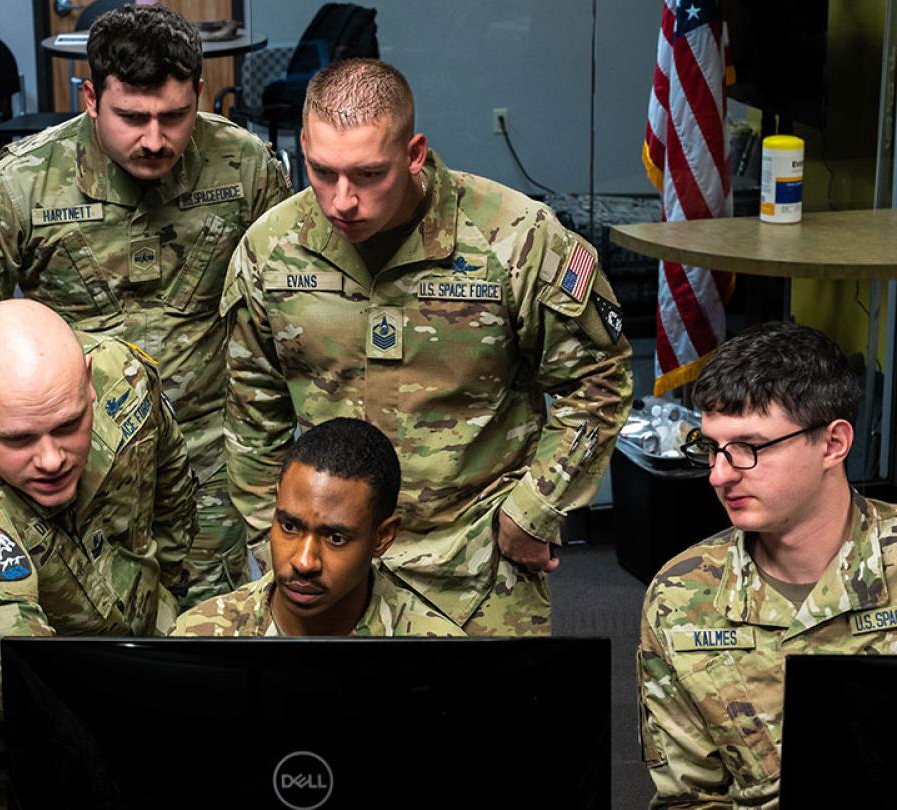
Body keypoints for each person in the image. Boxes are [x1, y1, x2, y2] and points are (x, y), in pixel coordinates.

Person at [223, 58, 632, 636]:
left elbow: (597, 379)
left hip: (475, 563)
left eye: (368, 175)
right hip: (328, 569)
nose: (342, 200)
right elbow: (252, 411)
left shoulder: (514, 239)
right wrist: (276, 546)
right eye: (322, 172)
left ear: (414, 154)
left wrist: (535, 510)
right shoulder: (270, 249)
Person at [0, 4, 290, 608]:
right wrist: (6, 459)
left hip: (206, 459)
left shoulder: (245, 167)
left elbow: (282, 314)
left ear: (200, 92)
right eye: (132, 117)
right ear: (90, 98)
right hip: (73, 460)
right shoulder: (21, 185)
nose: (154, 138)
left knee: (207, 629)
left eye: (175, 115)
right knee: (89, 638)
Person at [0, 299, 197, 809]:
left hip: (136, 653)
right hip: (14, 735)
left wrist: (175, 589)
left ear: (89, 382)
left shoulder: (123, 376)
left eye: (69, 425)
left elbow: (171, 479)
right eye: (19, 439)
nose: (51, 459)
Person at [638, 322, 897, 806]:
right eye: (713, 447)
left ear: (833, 444)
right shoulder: (680, 597)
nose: (719, 474)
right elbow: (688, 799)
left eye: (749, 448)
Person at [173, 417, 463, 637]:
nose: (303, 561)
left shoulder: (440, 655)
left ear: (383, 537)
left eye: (336, 538)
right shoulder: (203, 635)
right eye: (289, 526)